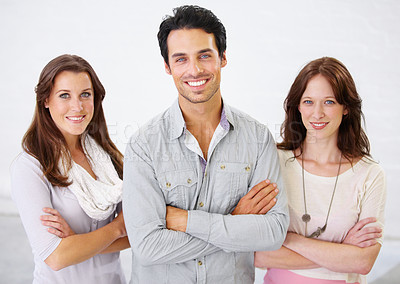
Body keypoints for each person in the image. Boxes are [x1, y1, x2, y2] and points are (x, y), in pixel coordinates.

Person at [122, 5, 289, 284]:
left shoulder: (258, 138)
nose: (194, 70)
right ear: (167, 67)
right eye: (181, 59)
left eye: (204, 55)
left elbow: (272, 231)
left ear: (222, 58)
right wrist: (235, 220)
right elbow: (147, 247)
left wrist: (187, 221)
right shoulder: (143, 145)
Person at [255, 57, 386, 284]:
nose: (317, 114)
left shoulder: (370, 175)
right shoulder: (272, 161)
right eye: (308, 102)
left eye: (329, 102)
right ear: (297, 106)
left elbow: (362, 262)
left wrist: (289, 240)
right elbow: (257, 254)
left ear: (346, 108)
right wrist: (342, 251)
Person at [10, 54, 129, 283]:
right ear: (45, 100)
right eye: (64, 95)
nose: (78, 106)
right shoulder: (30, 168)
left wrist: (78, 240)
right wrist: (116, 229)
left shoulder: (108, 158)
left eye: (85, 94)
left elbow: (137, 233)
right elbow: (56, 256)